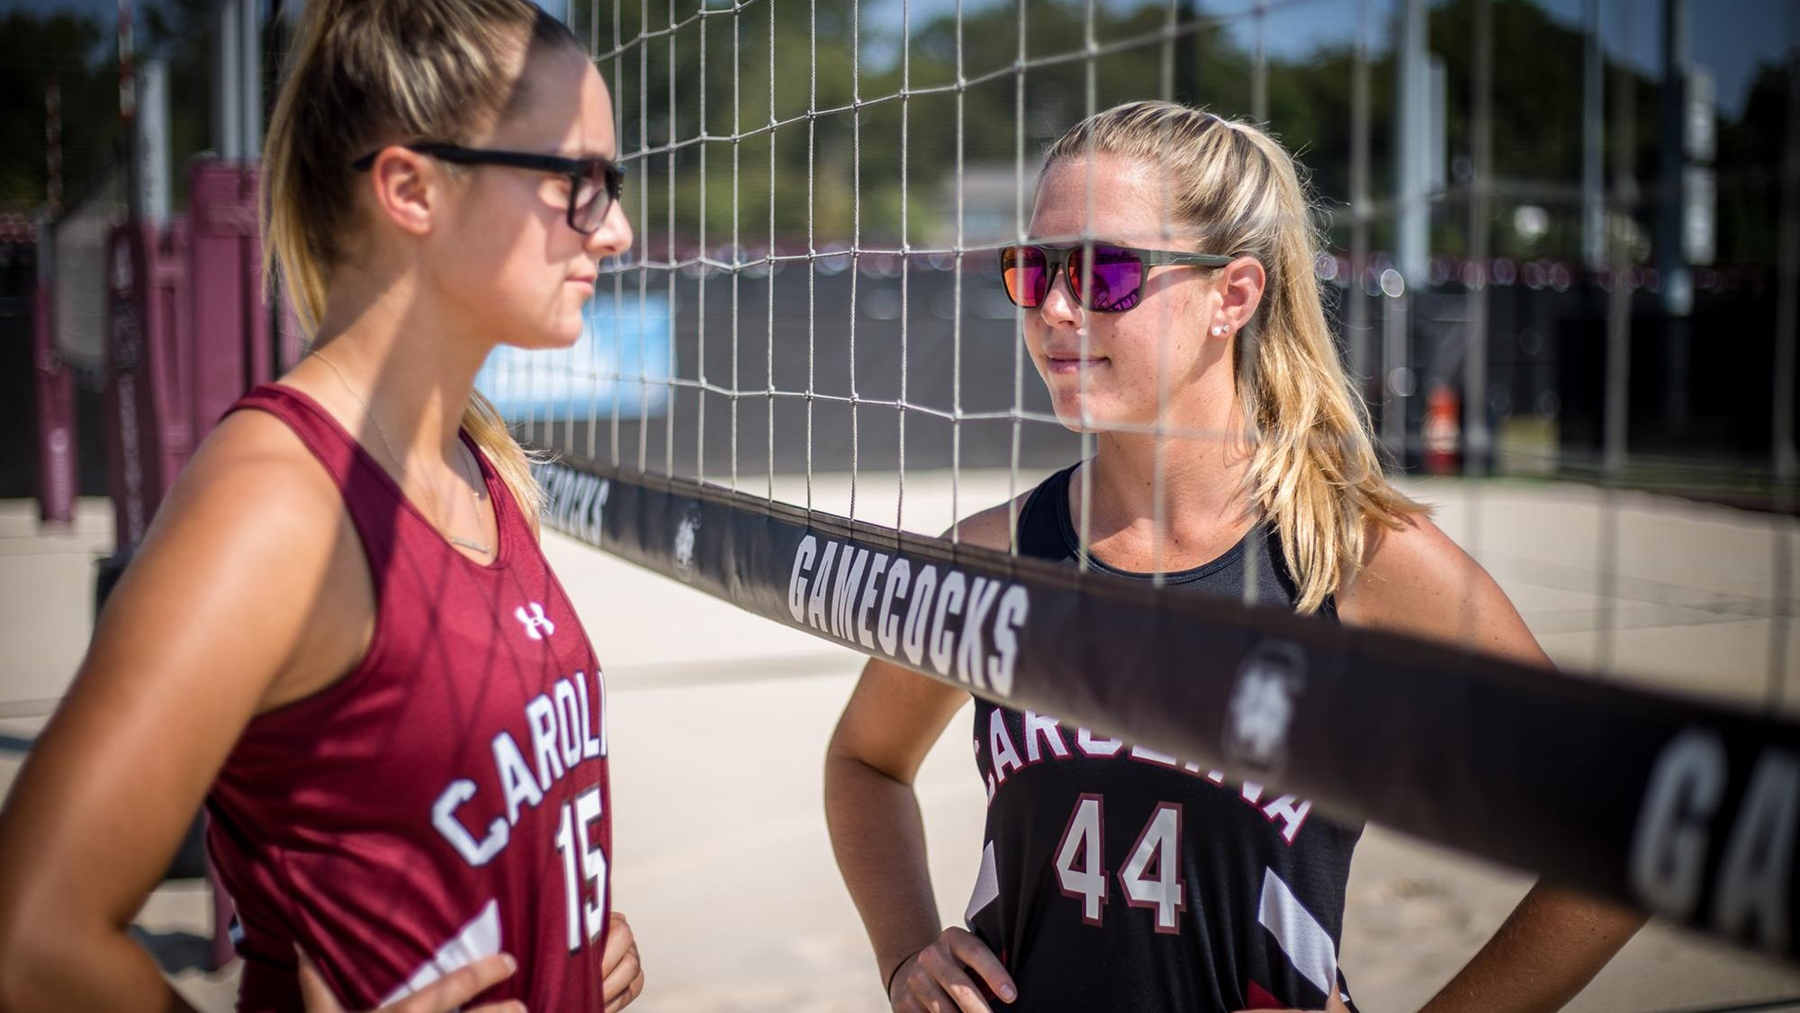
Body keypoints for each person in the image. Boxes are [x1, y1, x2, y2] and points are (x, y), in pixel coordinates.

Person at [823, 101, 1645, 1013]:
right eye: (1035, 267)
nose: (1055, 307)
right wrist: (904, 952)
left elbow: (1620, 832)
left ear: (1234, 295)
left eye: (1107, 272)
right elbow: (865, 760)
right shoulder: (994, 555)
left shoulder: (1354, 561)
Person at [0, 1, 644, 1010]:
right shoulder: (280, 501)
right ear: (410, 187)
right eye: (576, 181)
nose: (616, 226)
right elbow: (31, 938)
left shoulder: (479, 460)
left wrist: (563, 920)